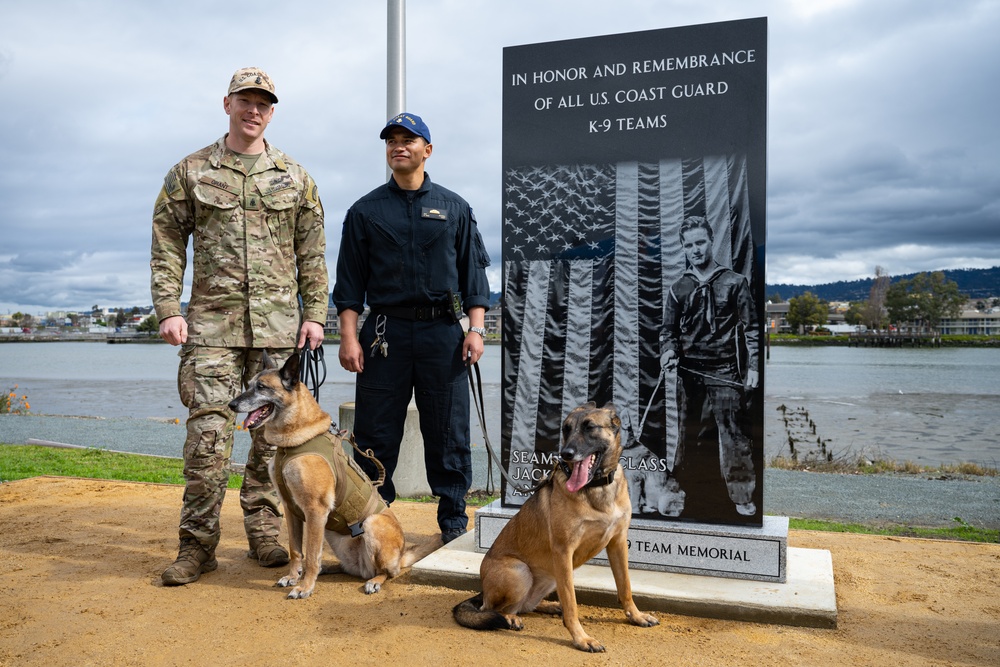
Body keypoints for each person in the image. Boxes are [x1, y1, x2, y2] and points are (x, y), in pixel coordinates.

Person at [150, 67, 328, 585]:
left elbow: (312, 253)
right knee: (208, 437)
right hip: (210, 329)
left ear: (273, 111)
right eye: (246, 101)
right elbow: (166, 241)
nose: (254, 111)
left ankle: (266, 537)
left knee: (272, 443)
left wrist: (315, 315)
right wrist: (168, 307)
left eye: (264, 104)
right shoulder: (191, 171)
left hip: (277, 333)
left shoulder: (295, 178)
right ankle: (197, 546)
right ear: (227, 104)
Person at [334, 112, 491, 544]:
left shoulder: (456, 208)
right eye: (391, 140)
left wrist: (475, 330)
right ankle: (371, 522)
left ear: (428, 149)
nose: (398, 146)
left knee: (448, 429)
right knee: (375, 432)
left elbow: (474, 277)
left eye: (409, 139)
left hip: (443, 334)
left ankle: (454, 523)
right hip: (385, 334)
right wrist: (349, 338)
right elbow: (348, 287)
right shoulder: (364, 211)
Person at [659, 215, 759, 520]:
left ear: (711, 241)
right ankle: (687, 491)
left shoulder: (735, 282)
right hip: (688, 374)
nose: (696, 250)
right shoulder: (679, 287)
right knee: (690, 434)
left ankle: (742, 495)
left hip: (725, 372)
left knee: (734, 436)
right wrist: (668, 352)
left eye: (700, 242)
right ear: (684, 249)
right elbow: (668, 331)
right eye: (689, 245)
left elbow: (752, 328)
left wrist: (753, 365)